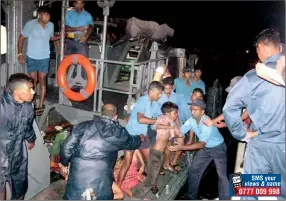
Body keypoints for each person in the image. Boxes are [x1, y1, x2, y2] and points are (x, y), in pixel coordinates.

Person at [223, 29, 285, 200]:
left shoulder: (254, 76)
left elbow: (229, 108)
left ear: (260, 47)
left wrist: (241, 133)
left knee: (248, 190)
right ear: (279, 47)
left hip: (260, 144)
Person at [60, 104, 144, 200]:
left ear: (100, 114)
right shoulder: (118, 132)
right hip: (100, 178)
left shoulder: (81, 126)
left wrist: (64, 163)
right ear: (115, 116)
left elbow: (66, 147)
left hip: (79, 175)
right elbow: (132, 143)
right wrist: (140, 138)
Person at [169, 99, 230, 200]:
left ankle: (225, 199)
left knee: (222, 176)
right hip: (206, 149)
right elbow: (180, 132)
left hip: (218, 149)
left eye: (196, 110)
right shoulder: (191, 120)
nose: (192, 112)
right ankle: (192, 197)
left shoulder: (207, 123)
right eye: (192, 109)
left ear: (202, 111)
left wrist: (181, 147)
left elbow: (201, 144)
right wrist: (167, 134)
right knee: (193, 170)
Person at [117, 81, 164, 188]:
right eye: (159, 93)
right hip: (131, 136)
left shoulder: (155, 103)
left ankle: (152, 183)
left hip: (142, 136)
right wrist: (156, 121)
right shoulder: (142, 101)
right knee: (127, 163)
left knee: (151, 160)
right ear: (151, 92)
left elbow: (161, 115)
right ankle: (118, 187)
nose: (160, 95)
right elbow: (141, 119)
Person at [135, 102, 184, 198]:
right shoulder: (163, 118)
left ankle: (139, 192)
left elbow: (171, 137)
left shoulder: (170, 121)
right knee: (151, 178)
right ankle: (137, 195)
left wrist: (176, 131)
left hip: (159, 154)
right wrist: (173, 127)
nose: (176, 115)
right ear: (167, 113)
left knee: (153, 176)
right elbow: (158, 126)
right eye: (175, 113)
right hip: (155, 153)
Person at [0, 73, 36, 200]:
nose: (33, 92)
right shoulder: (2, 106)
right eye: (29, 89)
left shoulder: (29, 107)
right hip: (1, 152)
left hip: (18, 152)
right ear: (17, 92)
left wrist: (31, 139)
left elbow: (27, 126)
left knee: (19, 187)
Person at [17, 6, 61, 110]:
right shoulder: (30, 24)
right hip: (31, 57)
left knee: (42, 79)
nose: (48, 17)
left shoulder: (51, 25)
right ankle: (31, 104)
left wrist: (61, 36)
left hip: (44, 57)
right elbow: (21, 38)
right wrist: (20, 53)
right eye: (46, 15)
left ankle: (41, 105)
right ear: (40, 15)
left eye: (49, 15)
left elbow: (51, 37)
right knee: (32, 81)